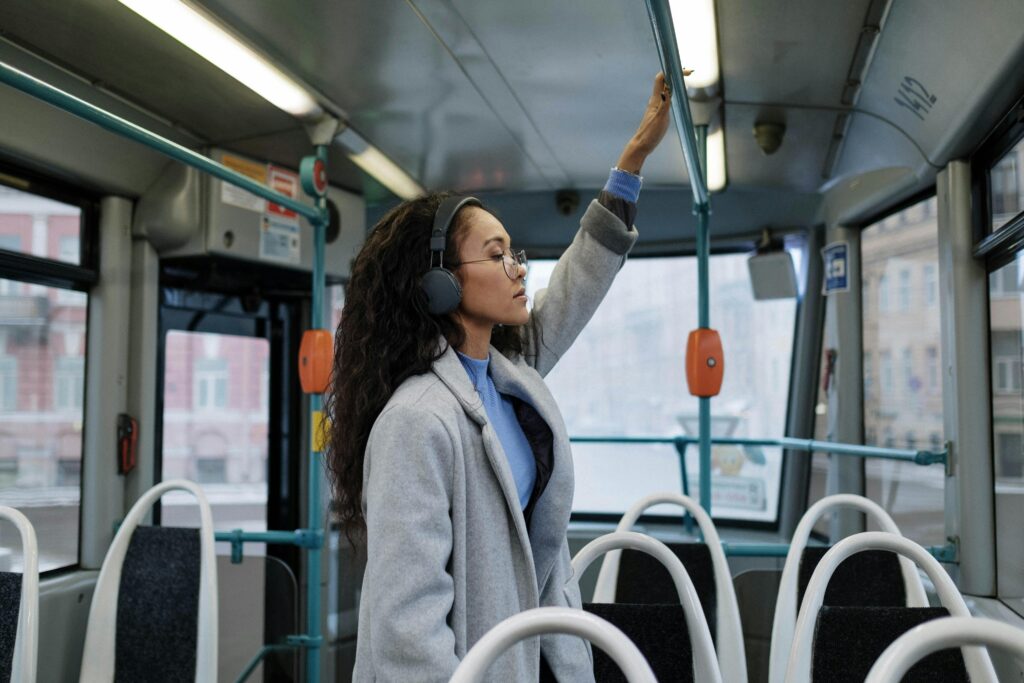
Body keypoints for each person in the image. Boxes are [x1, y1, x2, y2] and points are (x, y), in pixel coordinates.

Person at [326, 72, 673, 681]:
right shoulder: (416, 420)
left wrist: (632, 163)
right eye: (496, 254)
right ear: (440, 280)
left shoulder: (511, 381)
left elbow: (575, 286)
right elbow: (406, 627)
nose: (517, 269)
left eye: (514, 252)